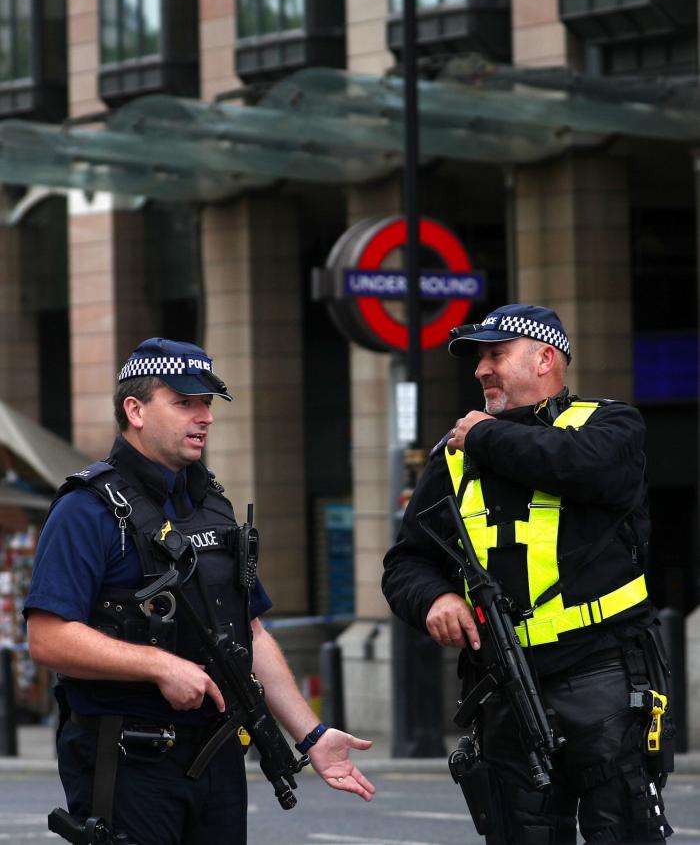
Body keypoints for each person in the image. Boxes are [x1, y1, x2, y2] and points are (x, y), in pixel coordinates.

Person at [25, 337, 375, 845]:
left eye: (207, 403)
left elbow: (250, 633)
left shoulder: (212, 503)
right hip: (131, 761)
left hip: (217, 758)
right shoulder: (86, 509)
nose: (205, 417)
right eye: (185, 402)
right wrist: (159, 665)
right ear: (135, 410)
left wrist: (311, 734)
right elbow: (47, 638)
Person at [382, 304, 673, 845]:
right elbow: (405, 562)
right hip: (503, 682)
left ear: (544, 359)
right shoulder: (455, 455)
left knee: (624, 832)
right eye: (478, 360)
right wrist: (435, 599)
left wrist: (484, 437)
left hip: (603, 673)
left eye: (496, 355)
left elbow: (581, 466)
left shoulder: (609, 424)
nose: (481, 370)